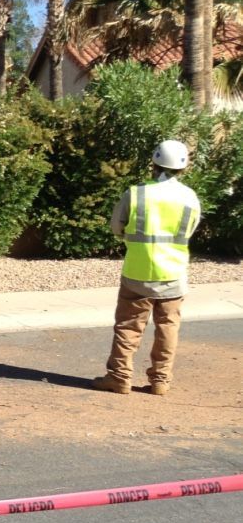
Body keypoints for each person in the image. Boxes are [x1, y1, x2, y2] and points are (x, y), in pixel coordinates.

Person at [93, 140, 201, 396]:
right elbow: (190, 230)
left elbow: (116, 227)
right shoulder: (190, 197)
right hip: (173, 273)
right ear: (183, 168)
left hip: (137, 272)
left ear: (153, 163)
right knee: (168, 327)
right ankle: (161, 381)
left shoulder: (136, 193)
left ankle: (119, 377)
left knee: (129, 326)